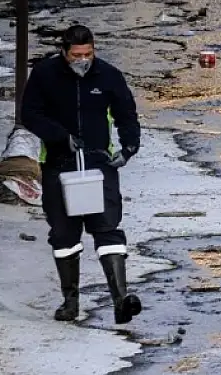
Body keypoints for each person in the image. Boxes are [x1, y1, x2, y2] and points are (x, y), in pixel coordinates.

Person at [22, 25, 143, 324]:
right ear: (64, 52)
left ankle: (120, 300)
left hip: (99, 163)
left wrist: (128, 149)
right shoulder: (44, 75)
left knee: (108, 228)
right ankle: (70, 302)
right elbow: (30, 114)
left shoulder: (109, 76)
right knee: (64, 234)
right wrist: (61, 137)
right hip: (58, 163)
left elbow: (126, 114)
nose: (83, 60)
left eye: (88, 54)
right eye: (76, 55)